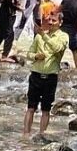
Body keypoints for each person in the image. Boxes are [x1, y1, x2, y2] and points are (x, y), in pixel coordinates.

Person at [23, 8, 69, 137]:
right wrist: (35, 56)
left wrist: (44, 35)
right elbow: (28, 53)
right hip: (36, 75)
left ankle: (41, 135)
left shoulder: (63, 36)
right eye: (49, 19)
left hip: (50, 77)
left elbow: (57, 48)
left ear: (60, 22)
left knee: (46, 109)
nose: (50, 22)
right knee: (30, 107)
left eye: (53, 20)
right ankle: (25, 135)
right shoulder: (38, 37)